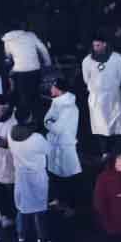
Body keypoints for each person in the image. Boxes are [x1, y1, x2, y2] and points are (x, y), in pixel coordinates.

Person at [8, 121, 53, 242]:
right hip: (37, 177)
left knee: (22, 209)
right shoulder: (36, 138)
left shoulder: (11, 133)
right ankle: (42, 240)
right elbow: (49, 150)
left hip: (21, 177)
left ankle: (21, 238)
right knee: (40, 210)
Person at [82, 35, 121, 153]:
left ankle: (118, 151)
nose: (95, 48)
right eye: (94, 46)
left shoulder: (116, 57)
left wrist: (111, 86)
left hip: (113, 95)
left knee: (117, 123)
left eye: (98, 45)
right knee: (100, 125)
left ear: (104, 44)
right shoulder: (87, 60)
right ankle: (104, 152)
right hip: (97, 97)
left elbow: (119, 75)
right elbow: (86, 78)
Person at [43, 78, 81, 211]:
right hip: (55, 145)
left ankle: (71, 206)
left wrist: (49, 123)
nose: (50, 89)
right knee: (55, 175)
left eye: (52, 87)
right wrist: (50, 123)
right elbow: (46, 120)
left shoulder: (69, 108)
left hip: (65, 147)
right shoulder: (56, 103)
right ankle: (58, 200)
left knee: (68, 179)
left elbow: (55, 127)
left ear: (58, 89)